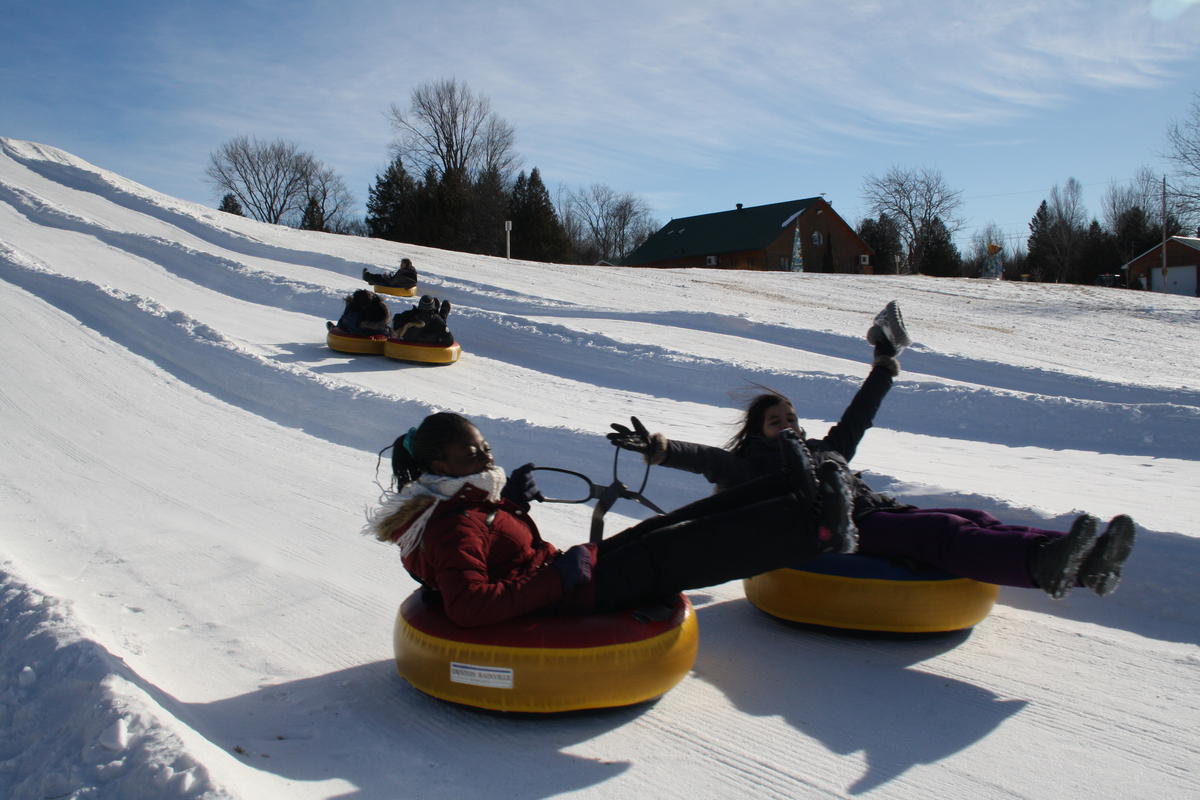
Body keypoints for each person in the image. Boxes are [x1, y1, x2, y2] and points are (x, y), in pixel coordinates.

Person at [607, 301, 1137, 600]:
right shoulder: (753, 470)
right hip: (838, 530)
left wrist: (883, 364)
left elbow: (858, 416)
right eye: (776, 420)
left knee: (974, 515)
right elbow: (710, 460)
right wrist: (660, 448)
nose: (788, 424)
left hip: (875, 511)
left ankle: (1081, 558)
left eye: (791, 416)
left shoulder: (824, 451)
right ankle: (1041, 563)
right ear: (758, 431)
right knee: (942, 533)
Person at [365, 412, 856, 628]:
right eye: (473, 450)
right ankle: (814, 529)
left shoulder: (463, 504)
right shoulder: (453, 523)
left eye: (486, 445)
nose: (486, 454)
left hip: (566, 576)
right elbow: (468, 606)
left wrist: (513, 506)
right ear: (440, 466)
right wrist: (555, 579)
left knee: (672, 525)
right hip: (564, 596)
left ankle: (794, 490)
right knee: (689, 549)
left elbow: (493, 547)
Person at [326, 289, 390, 336]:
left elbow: (345, 321)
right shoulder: (380, 306)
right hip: (377, 331)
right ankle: (336, 328)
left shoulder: (378, 308)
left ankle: (334, 328)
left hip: (359, 331)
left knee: (344, 323)